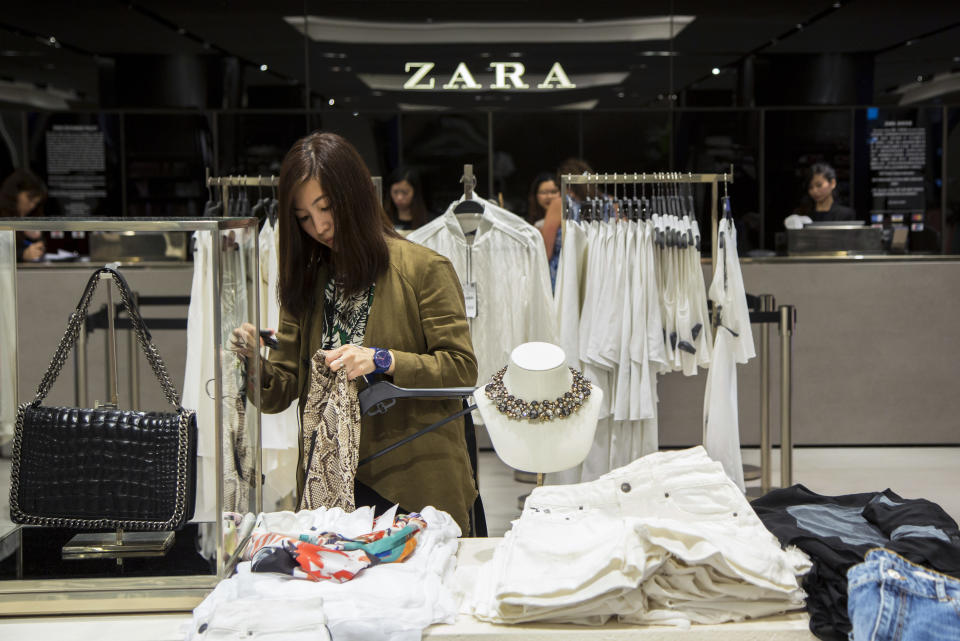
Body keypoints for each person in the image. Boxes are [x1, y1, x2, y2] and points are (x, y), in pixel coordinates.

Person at [232, 132, 479, 533]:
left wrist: (381, 358)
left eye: (326, 207)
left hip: (414, 480)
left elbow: (461, 369)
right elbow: (280, 392)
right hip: (330, 488)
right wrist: (249, 361)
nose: (319, 226)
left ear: (355, 196)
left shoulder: (423, 268)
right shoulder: (307, 284)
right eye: (303, 217)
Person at [540, 158, 591, 291]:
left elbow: (546, 251)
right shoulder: (607, 203)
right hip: (594, 272)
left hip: (563, 274)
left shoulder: (560, 204)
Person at [0, 169, 47, 261]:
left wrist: (36, 241)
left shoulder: (31, 216)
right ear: (15, 193)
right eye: (30, 199)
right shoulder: (3, 216)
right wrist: (22, 255)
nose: (32, 206)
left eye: (35, 203)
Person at [383, 166, 430, 230]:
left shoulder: (428, 222)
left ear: (415, 192)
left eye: (405, 192)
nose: (399, 197)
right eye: (395, 192)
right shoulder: (383, 219)